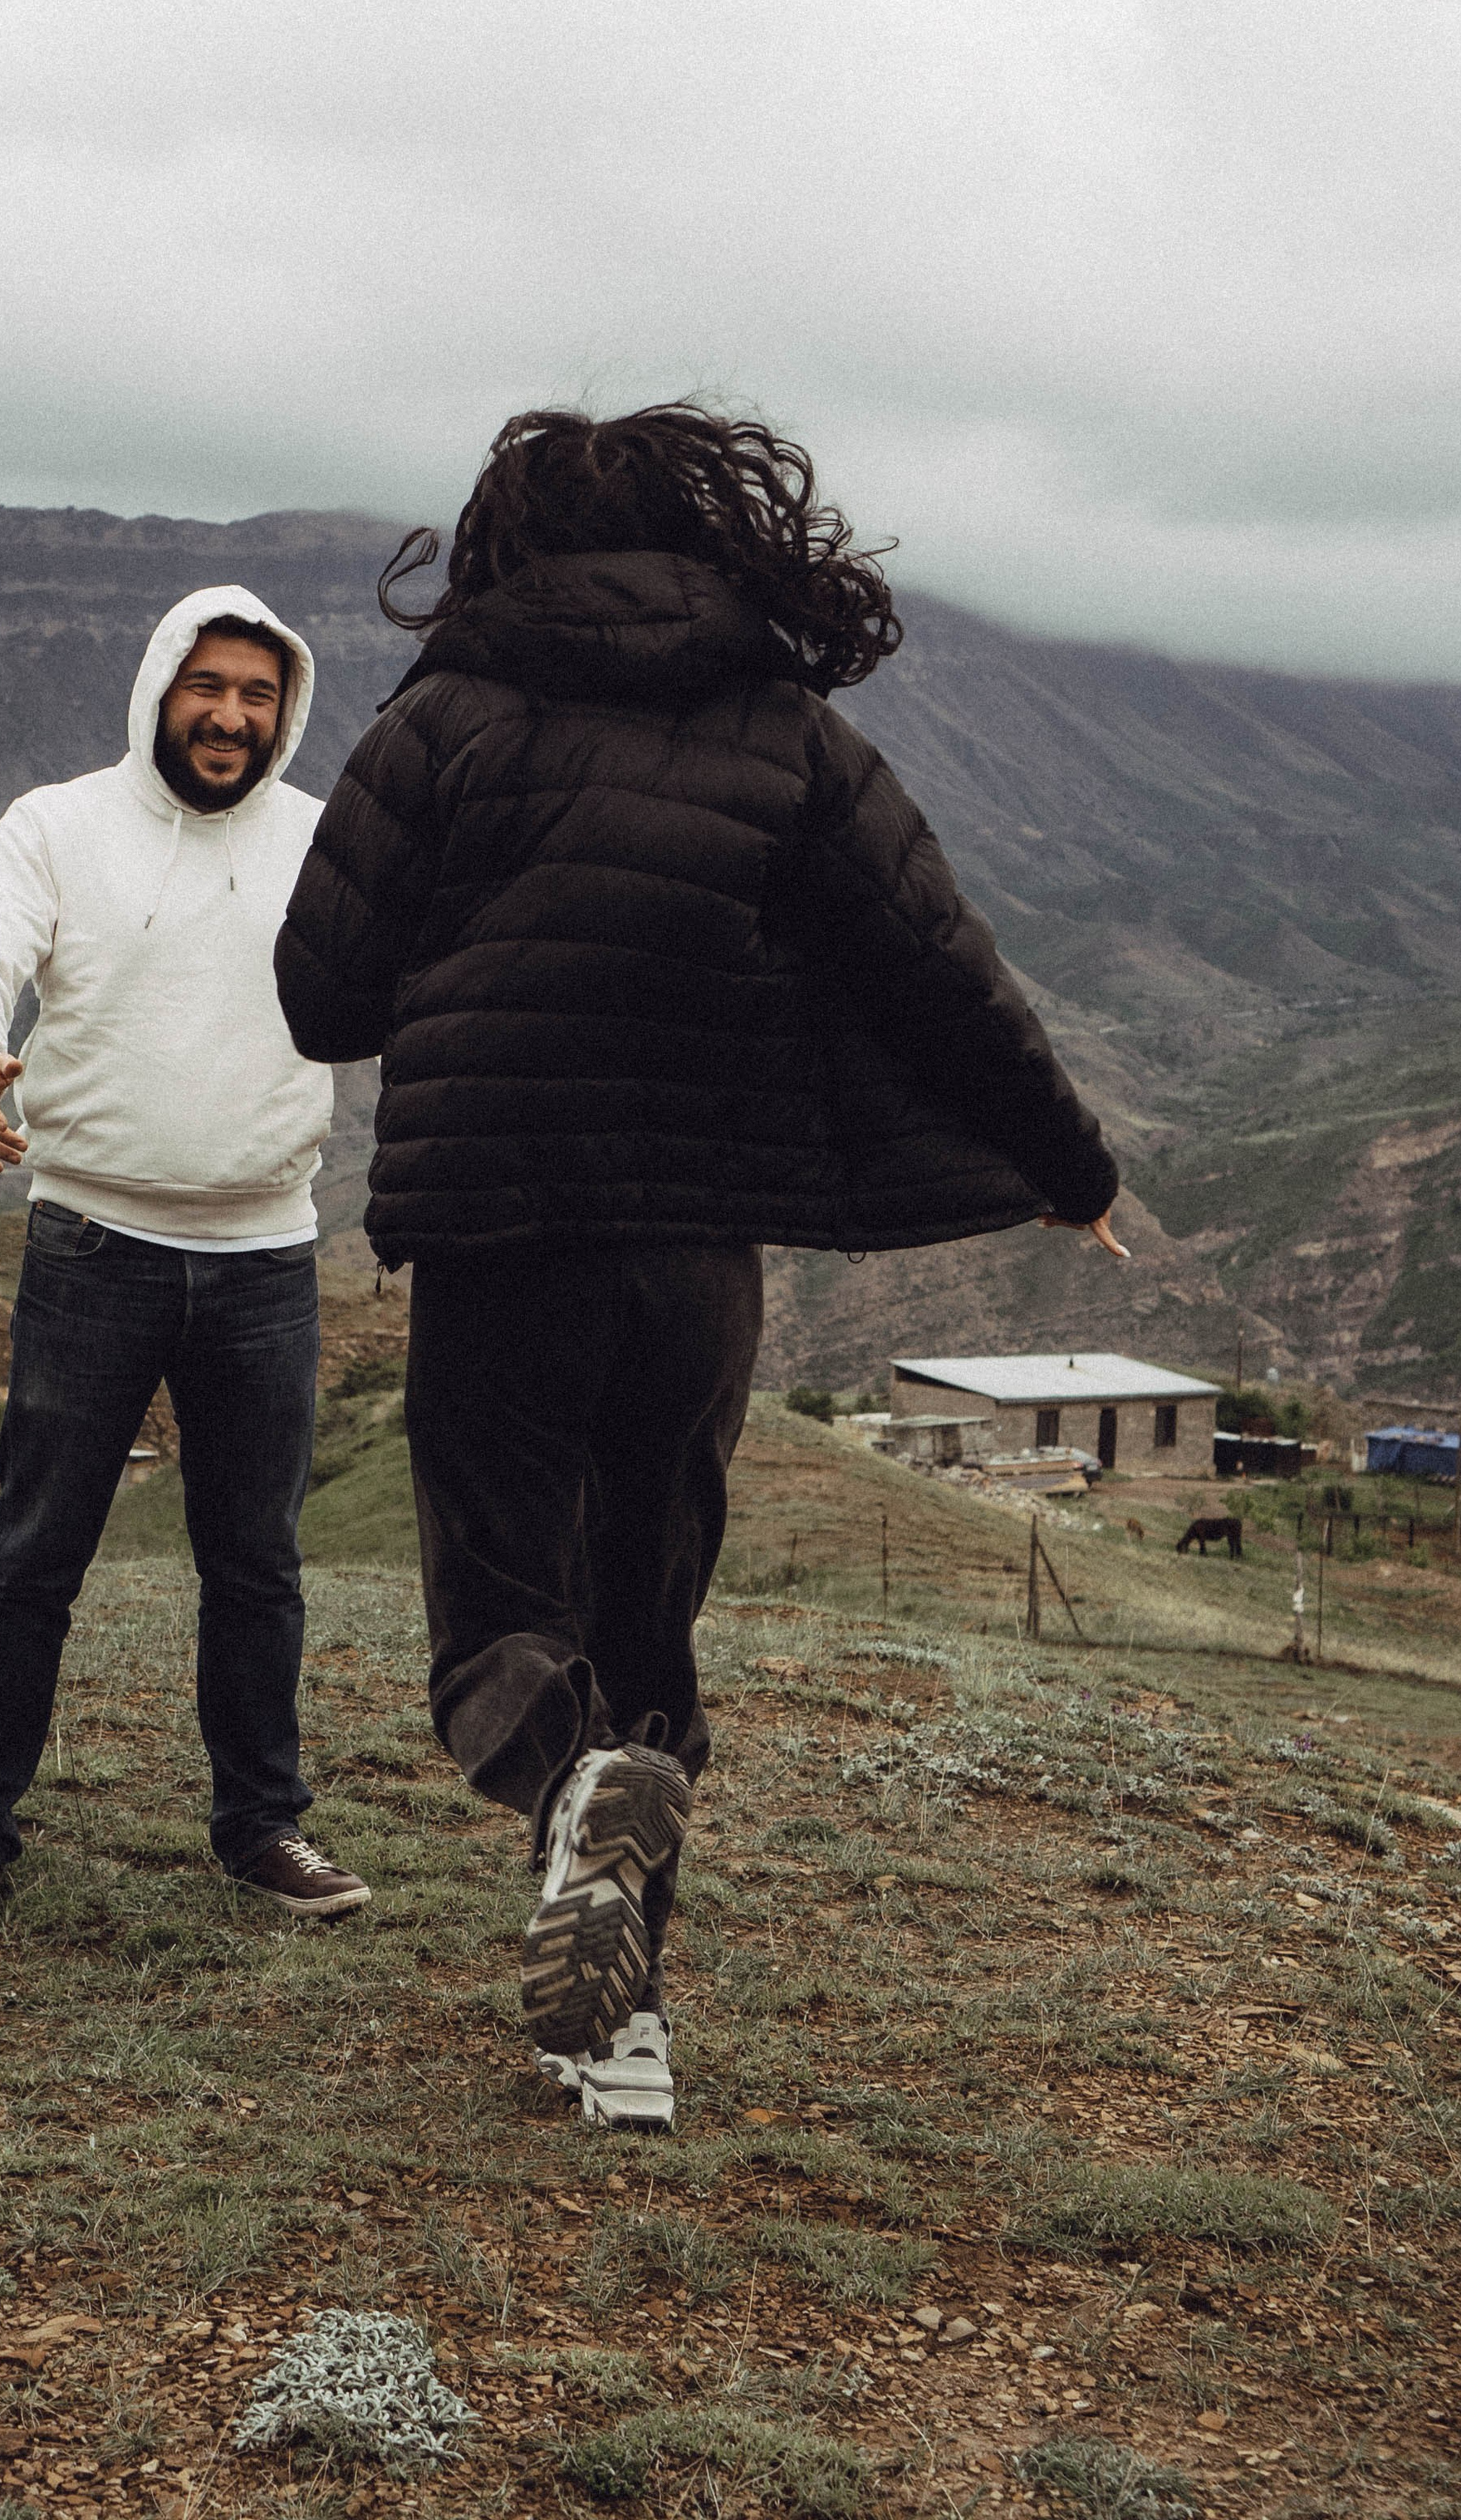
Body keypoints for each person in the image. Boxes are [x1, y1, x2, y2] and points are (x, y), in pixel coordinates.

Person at [275, 405, 1122, 2123]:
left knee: (500, 1616)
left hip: (498, 1234)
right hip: (689, 1258)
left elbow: (320, 997)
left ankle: (566, 1783)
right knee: (646, 1613)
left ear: (506, 538)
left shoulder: (438, 726)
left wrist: (473, 951)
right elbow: (935, 972)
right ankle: (619, 2035)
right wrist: (1065, 1164)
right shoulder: (782, 734)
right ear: (708, 536)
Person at [0, 586, 370, 1929]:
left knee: (257, 1564)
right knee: (34, 1555)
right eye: (206, 686)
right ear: (161, 686)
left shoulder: (322, 843)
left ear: (283, 707)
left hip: (267, 1259)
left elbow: (411, 976)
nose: (230, 715)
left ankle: (264, 1829)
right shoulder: (57, 826)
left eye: (256, 693)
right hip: (92, 1245)